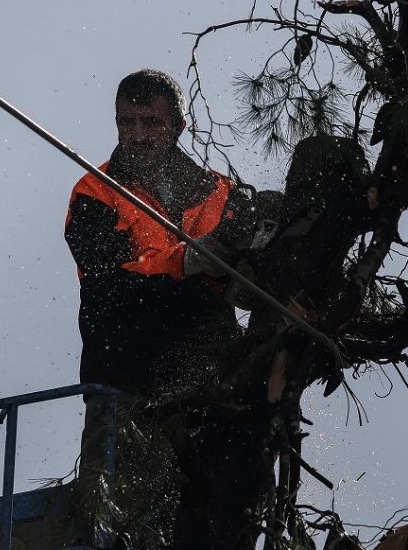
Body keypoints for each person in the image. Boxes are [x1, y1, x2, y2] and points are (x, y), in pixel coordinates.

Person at [64, 69, 257, 549]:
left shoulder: (222, 194)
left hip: (210, 378)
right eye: (127, 122)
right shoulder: (96, 192)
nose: (138, 135)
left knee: (222, 516)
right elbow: (108, 279)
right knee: (117, 524)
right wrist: (189, 261)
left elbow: (249, 278)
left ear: (179, 125)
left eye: (150, 122)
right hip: (126, 378)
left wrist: (255, 264)